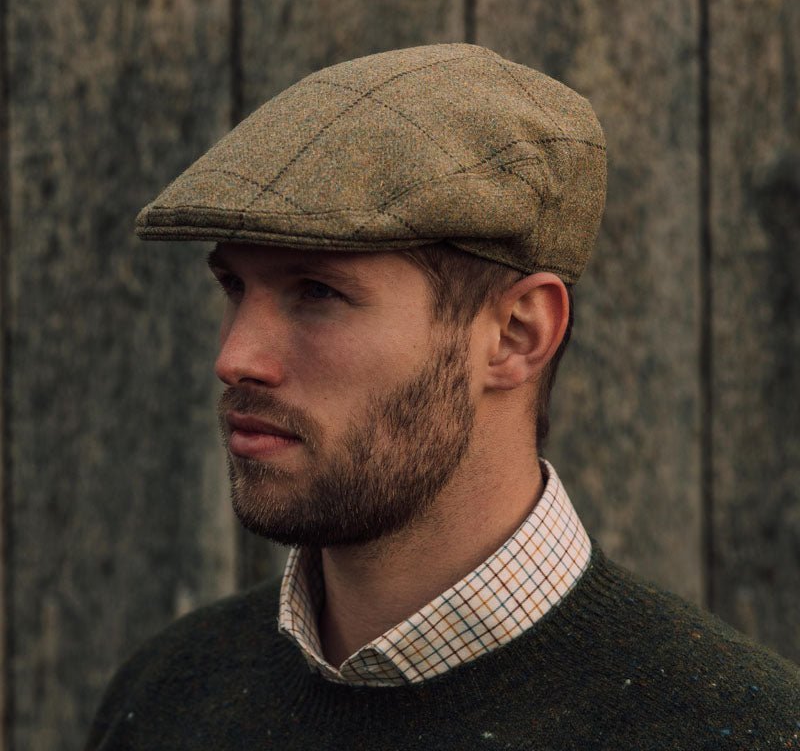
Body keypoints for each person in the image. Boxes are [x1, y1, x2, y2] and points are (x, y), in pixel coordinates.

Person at [85, 43, 798, 750]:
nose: (234, 357)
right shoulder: (166, 694)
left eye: (318, 292)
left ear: (517, 334)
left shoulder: (734, 728)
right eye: (234, 287)